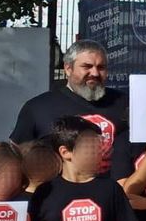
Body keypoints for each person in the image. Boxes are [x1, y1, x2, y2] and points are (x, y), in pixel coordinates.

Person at [9, 40, 128, 176]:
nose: (95, 73)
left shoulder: (123, 103)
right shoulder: (37, 107)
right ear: (68, 69)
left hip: (112, 193)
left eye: (101, 67)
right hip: (55, 193)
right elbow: (16, 154)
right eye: (87, 66)